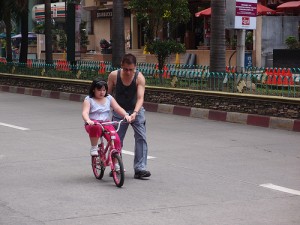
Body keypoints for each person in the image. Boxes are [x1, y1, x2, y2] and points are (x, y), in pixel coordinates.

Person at [107, 53, 151, 179]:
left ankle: (140, 168)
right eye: (125, 69)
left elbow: (140, 98)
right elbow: (107, 95)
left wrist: (135, 113)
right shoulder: (114, 76)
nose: (128, 72)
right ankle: (116, 166)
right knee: (116, 139)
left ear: (135, 68)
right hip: (119, 110)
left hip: (136, 110)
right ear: (121, 66)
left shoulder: (139, 77)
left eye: (131, 70)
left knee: (141, 137)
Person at [82, 78, 131, 156]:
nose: (102, 92)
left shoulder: (109, 98)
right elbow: (85, 112)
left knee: (116, 140)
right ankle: (94, 147)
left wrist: (126, 115)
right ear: (93, 90)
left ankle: (116, 163)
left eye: (104, 90)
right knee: (96, 127)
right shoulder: (89, 99)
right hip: (93, 123)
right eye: (99, 90)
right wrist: (88, 120)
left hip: (106, 123)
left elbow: (117, 108)